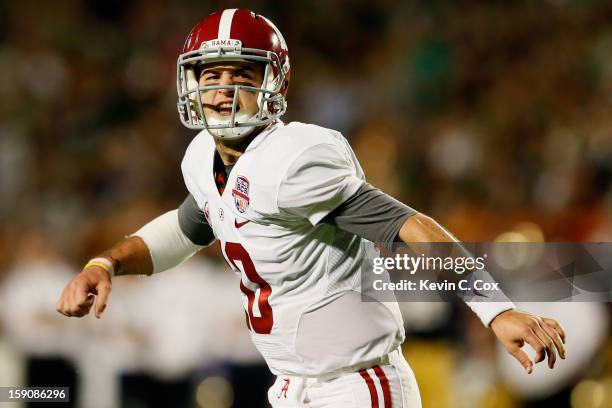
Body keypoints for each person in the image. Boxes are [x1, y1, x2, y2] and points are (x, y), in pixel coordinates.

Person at [57, 9, 566, 407]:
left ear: (272, 84)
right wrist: (107, 263)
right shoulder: (201, 158)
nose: (222, 92)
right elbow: (186, 229)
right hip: (291, 389)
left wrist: (495, 310)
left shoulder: (295, 158)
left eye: (241, 75)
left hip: (356, 386)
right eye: (211, 76)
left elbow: (409, 226)